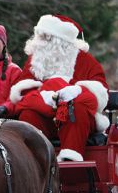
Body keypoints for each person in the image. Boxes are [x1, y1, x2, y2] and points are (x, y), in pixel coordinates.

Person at [10, 14, 109, 161]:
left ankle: (71, 156)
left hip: (78, 120)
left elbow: (101, 92)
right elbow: (22, 91)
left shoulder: (84, 60)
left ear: (62, 42)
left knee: (76, 109)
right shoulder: (36, 60)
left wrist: (78, 90)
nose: (40, 42)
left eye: (46, 37)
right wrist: (43, 97)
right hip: (46, 117)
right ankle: (35, 161)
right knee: (28, 114)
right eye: (40, 36)